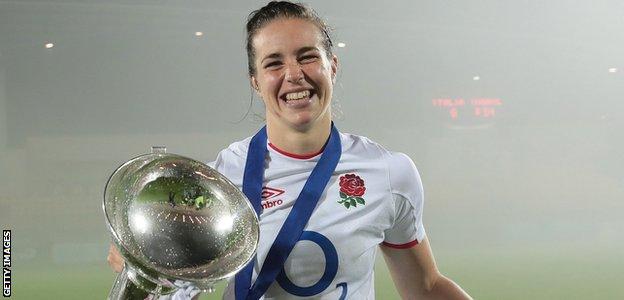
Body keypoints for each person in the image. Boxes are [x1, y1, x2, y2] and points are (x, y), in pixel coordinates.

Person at [108, 1, 472, 299]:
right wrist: (142, 259)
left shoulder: (388, 173)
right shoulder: (216, 186)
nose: (294, 74)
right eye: (273, 63)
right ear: (255, 81)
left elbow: (426, 288)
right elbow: (158, 280)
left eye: (307, 56)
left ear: (333, 65)